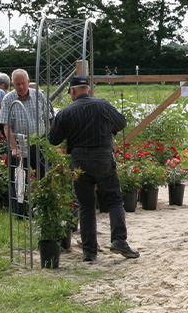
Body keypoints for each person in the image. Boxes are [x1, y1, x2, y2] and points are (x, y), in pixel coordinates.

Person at [47, 76, 139, 261]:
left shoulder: (65, 112)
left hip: (79, 159)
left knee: (86, 205)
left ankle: (89, 251)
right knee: (114, 200)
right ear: (88, 89)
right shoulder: (103, 105)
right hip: (103, 156)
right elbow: (121, 123)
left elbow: (53, 139)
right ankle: (119, 240)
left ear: (72, 91)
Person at [0, 69, 55, 213]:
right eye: (18, 84)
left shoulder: (39, 96)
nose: (21, 87)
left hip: (38, 142)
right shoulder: (8, 99)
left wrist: (47, 142)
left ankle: (42, 207)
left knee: (44, 174)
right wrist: (13, 147)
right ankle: (19, 211)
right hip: (18, 143)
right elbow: (6, 125)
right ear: (13, 84)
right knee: (18, 178)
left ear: (28, 82)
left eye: (23, 83)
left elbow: (48, 120)